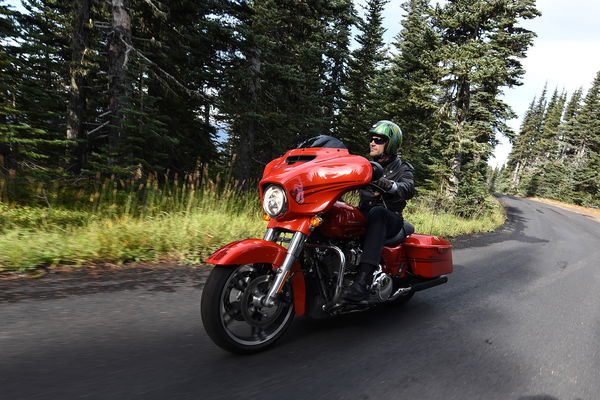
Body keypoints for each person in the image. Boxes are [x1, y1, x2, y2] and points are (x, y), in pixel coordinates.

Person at [342, 120, 415, 302]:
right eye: (371, 139)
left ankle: (363, 282)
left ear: (390, 143)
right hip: (365, 215)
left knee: (377, 212)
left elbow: (408, 188)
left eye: (379, 140)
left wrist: (390, 186)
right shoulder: (366, 166)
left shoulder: (402, 167)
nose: (372, 142)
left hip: (390, 218)